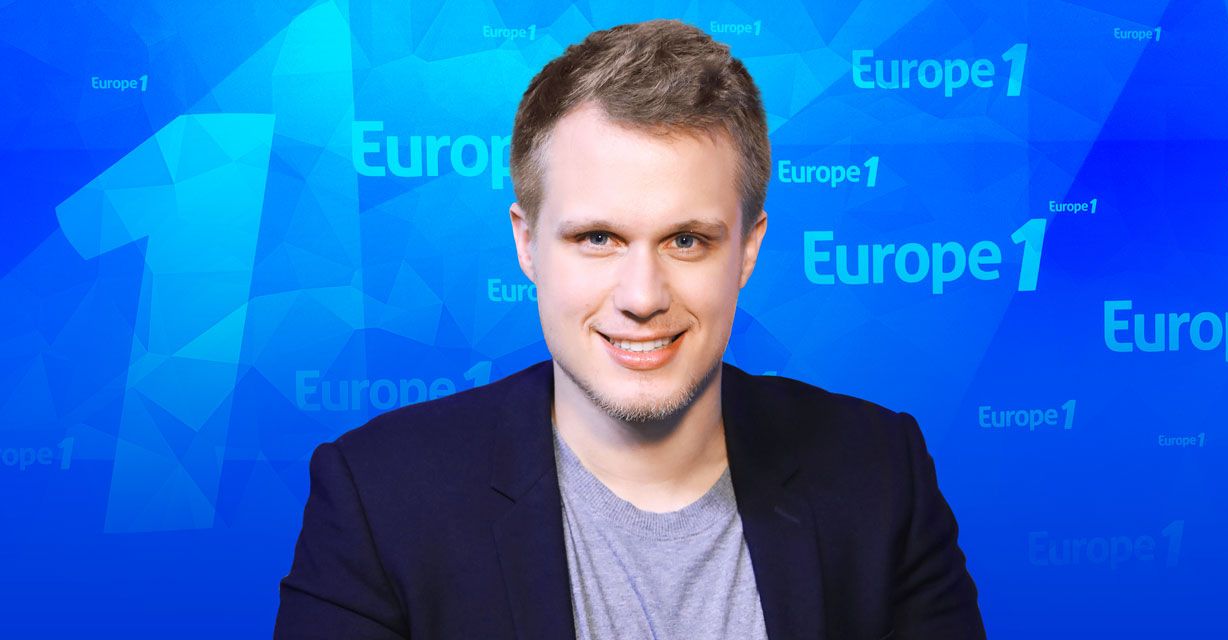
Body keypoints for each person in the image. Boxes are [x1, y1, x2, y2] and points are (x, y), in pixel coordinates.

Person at [275, 19, 984, 640]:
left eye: (687, 241)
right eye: (598, 239)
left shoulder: (882, 475)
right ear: (526, 243)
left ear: (748, 250)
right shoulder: (378, 499)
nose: (642, 297)